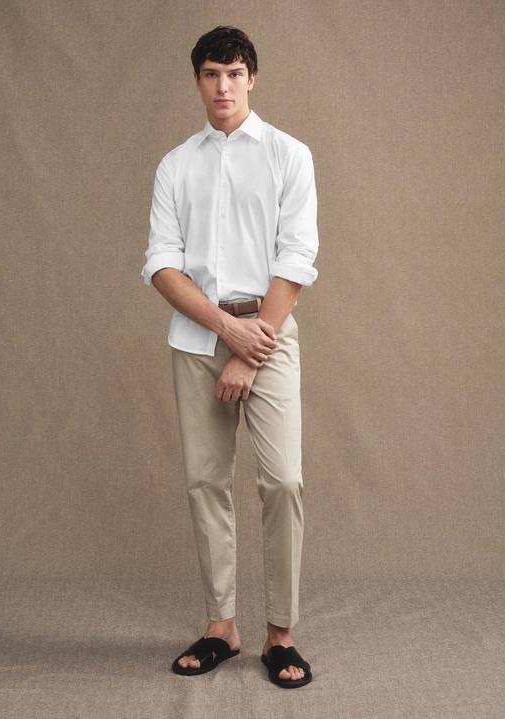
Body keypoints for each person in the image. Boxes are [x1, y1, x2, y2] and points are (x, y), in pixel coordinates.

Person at [140, 25, 319, 688]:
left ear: (252, 78)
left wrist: (250, 346)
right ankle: (222, 626)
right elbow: (161, 263)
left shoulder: (289, 156)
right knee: (205, 482)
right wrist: (223, 329)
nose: (224, 86)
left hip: (269, 333)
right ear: (198, 81)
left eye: (235, 73)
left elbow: (297, 256)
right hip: (197, 339)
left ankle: (281, 634)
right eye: (212, 74)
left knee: (284, 481)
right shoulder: (175, 165)